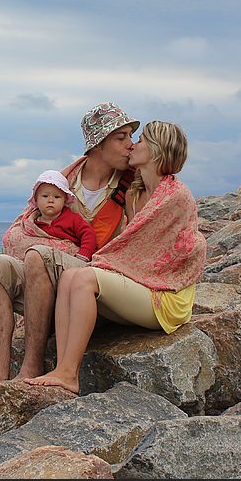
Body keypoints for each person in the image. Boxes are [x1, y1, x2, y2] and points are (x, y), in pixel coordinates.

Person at [26, 121, 206, 394]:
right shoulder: (134, 194)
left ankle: (69, 374)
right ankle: (61, 368)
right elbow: (134, 247)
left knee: (85, 278)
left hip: (166, 297)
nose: (134, 144)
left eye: (142, 140)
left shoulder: (175, 196)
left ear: (157, 151)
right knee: (70, 276)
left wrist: (107, 264)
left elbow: (174, 252)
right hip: (139, 287)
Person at [0, 102, 140, 381]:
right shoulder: (61, 182)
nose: (131, 145)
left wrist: (58, 250)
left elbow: (136, 241)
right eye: (121, 137)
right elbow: (16, 234)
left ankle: (32, 366)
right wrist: (64, 248)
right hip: (48, 268)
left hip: (92, 280)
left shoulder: (133, 184)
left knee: (39, 255)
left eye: (131, 136)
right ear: (98, 144)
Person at [30, 170, 97, 261]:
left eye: (57, 197)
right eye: (45, 196)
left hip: (68, 262)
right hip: (41, 262)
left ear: (64, 200)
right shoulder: (32, 223)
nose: (50, 200)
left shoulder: (72, 219)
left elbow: (89, 234)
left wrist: (84, 254)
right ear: (36, 199)